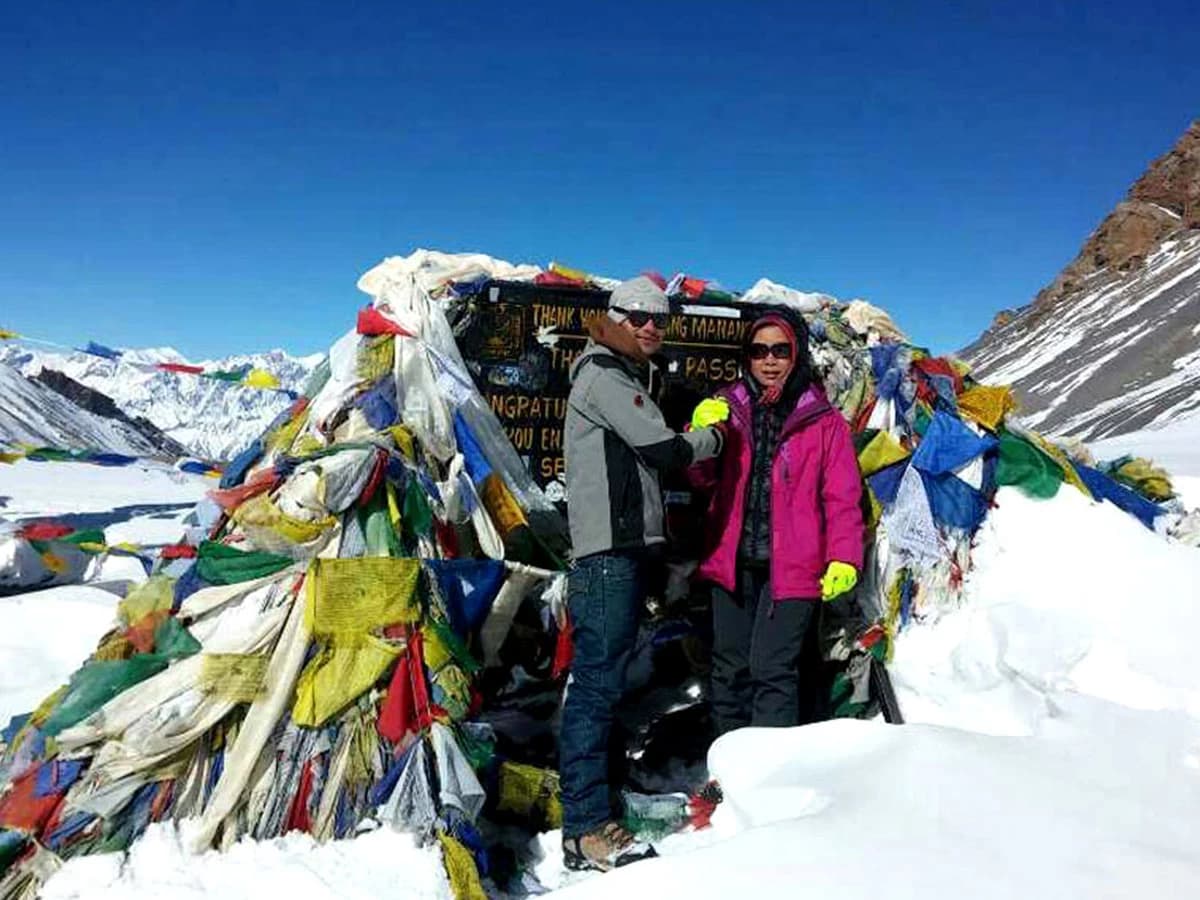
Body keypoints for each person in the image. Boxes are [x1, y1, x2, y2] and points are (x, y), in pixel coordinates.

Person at [560, 275, 727, 872]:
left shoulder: (623, 373)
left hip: (622, 551)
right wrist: (718, 436)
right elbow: (665, 451)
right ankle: (584, 828)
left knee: (605, 685)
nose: (651, 326)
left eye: (660, 317)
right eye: (638, 316)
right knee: (596, 688)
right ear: (613, 318)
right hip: (609, 554)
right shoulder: (605, 375)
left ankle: (599, 804)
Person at [688, 307, 863, 734]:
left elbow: (842, 496)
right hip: (732, 561)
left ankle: (769, 769)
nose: (769, 360)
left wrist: (844, 557)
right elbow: (700, 480)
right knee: (729, 670)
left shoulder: (824, 421)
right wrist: (699, 436)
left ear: (796, 354)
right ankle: (727, 766)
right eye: (759, 350)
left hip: (795, 566)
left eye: (780, 351)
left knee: (772, 669)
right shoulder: (727, 409)